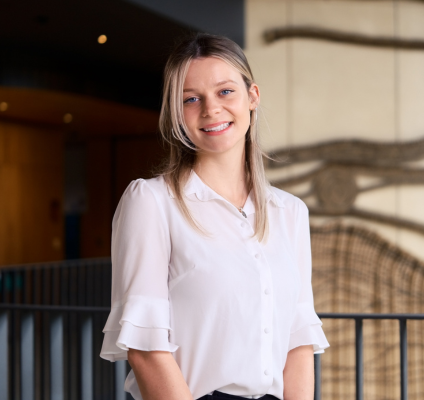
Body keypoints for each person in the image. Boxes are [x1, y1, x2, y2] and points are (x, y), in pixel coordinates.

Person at [100, 33, 329, 400]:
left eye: (225, 92)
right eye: (192, 99)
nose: (211, 110)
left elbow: (297, 342)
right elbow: (146, 350)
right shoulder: (152, 203)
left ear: (252, 96)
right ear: (177, 112)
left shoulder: (289, 213)